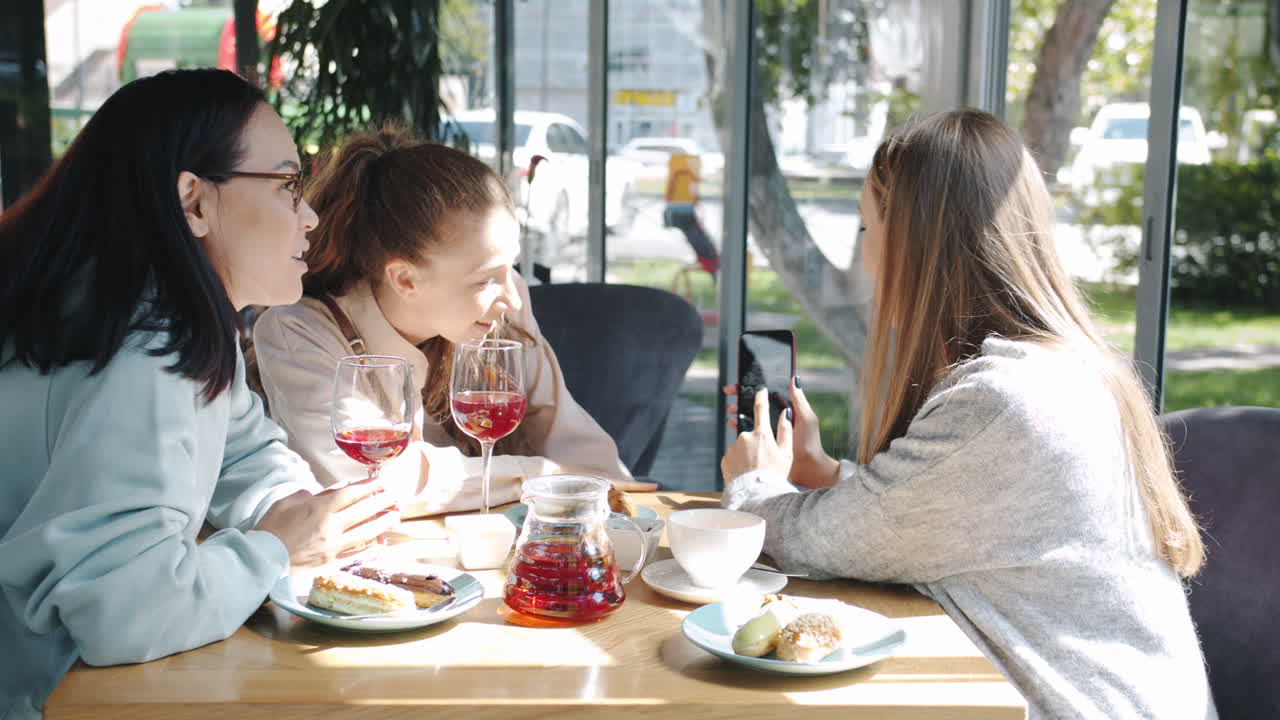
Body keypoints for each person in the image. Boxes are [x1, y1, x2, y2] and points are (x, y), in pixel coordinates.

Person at [720, 110, 1214, 718]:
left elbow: (809, 539)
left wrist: (754, 483)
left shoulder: (1003, 403)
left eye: (865, 230)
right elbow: (960, 521)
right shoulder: (1064, 371)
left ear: (913, 242)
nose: (866, 261)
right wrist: (825, 473)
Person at [0, 69, 399, 718]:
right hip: (50, 696)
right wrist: (277, 547)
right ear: (194, 202)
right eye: (289, 184)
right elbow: (123, 609)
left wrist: (294, 508)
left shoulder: (163, 312)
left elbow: (245, 449)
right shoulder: (144, 349)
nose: (311, 215)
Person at [252, 127, 651, 516]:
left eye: (511, 267)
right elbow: (377, 482)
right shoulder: (298, 333)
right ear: (405, 279)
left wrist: (626, 509)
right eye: (485, 278)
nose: (512, 295)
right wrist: (541, 476)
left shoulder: (503, 303)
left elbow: (570, 439)